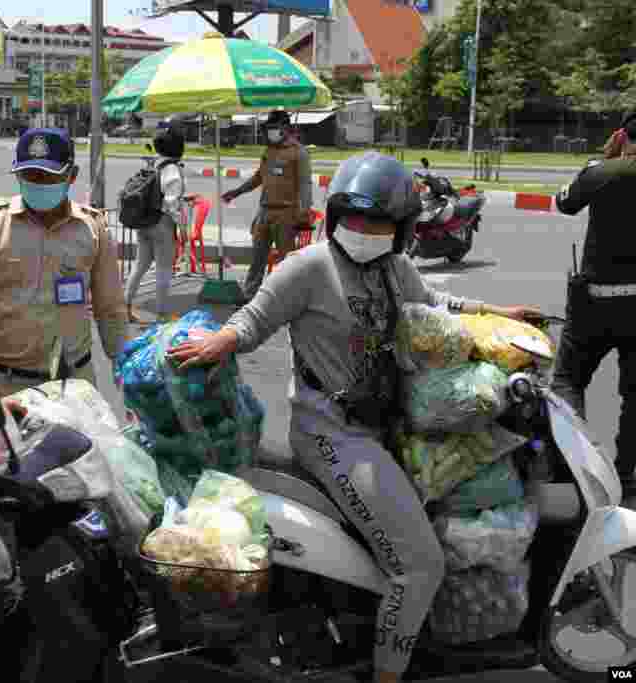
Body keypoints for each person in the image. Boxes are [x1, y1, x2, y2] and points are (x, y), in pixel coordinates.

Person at [168, 152, 541, 683]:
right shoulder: (309, 266)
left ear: (403, 229)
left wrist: (498, 315)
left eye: (378, 222)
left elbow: (437, 303)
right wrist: (218, 342)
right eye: (355, 218)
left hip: (384, 430)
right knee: (419, 566)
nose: (364, 230)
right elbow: (255, 317)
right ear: (335, 215)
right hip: (332, 435)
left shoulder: (395, 270)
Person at [0, 127, 129, 397]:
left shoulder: (92, 229)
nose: (36, 183)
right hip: (5, 386)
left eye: (47, 176)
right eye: (28, 175)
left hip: (73, 384)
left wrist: (123, 366)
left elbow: (110, 307)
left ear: (72, 176)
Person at [552, 111, 636, 498]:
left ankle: (578, 469)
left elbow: (564, 203)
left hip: (595, 302)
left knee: (569, 380)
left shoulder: (601, 173)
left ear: (621, 135)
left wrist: (603, 162)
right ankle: (627, 475)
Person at [221, 109, 314, 300]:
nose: (271, 132)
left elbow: (305, 184)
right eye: (269, 128)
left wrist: (304, 212)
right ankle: (249, 296)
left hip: (286, 215)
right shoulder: (269, 150)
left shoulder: (299, 153)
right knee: (257, 259)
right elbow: (258, 177)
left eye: (275, 127)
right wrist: (237, 192)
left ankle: (290, 300)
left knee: (287, 262)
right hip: (264, 213)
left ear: (286, 128)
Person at [125, 125, 185, 324]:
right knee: (163, 269)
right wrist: (181, 226)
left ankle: (124, 306)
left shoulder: (153, 165)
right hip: (162, 224)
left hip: (144, 222)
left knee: (140, 266)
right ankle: (161, 314)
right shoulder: (172, 169)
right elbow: (170, 202)